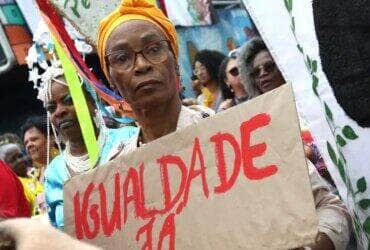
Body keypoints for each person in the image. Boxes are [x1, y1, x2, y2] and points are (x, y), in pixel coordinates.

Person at [238, 37, 351, 249]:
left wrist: (311, 155)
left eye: (269, 66)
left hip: (344, 204)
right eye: (256, 72)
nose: (262, 74)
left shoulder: (317, 106)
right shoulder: (255, 125)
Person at [97, 0, 212, 152]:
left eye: (154, 49)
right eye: (122, 58)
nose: (142, 65)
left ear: (175, 61)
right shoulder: (121, 167)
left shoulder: (226, 129)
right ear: (111, 79)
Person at [41, 64, 138, 229]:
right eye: (51, 108)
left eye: (69, 100)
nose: (59, 111)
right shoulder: (53, 172)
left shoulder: (130, 139)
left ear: (93, 101)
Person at [0, 143, 42, 216]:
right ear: (6, 167)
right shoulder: (14, 185)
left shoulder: (36, 173)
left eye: (20, 156)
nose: (19, 160)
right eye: (13, 160)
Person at [21, 116, 58, 183]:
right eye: (26, 143)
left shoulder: (67, 163)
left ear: (51, 138)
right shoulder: (35, 175)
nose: (29, 145)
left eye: (34, 139)